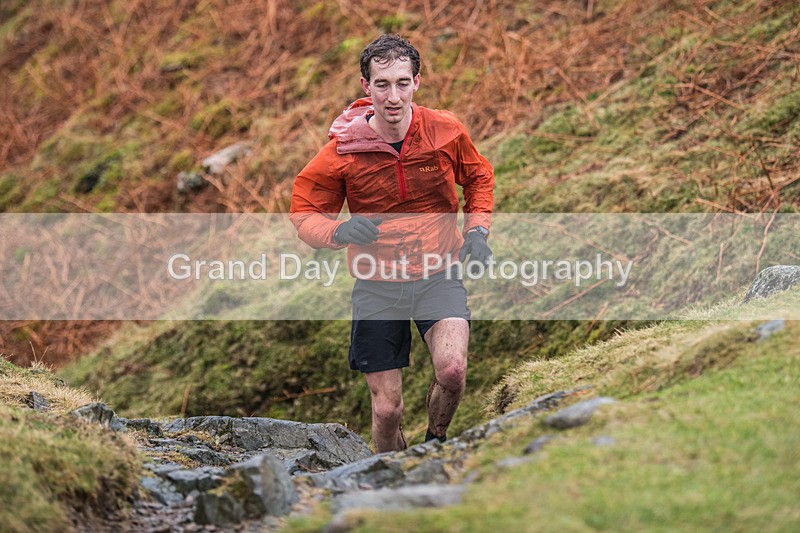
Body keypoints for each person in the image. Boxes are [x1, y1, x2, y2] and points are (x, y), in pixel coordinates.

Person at [290, 34, 494, 453]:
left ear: (417, 82)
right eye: (382, 84)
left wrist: (476, 232)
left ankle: (434, 446)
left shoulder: (445, 131)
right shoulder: (341, 152)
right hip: (377, 283)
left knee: (452, 370)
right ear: (366, 86)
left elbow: (479, 177)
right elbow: (305, 211)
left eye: (403, 83)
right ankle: (390, 486)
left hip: (439, 273)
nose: (393, 96)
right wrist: (340, 232)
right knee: (387, 411)